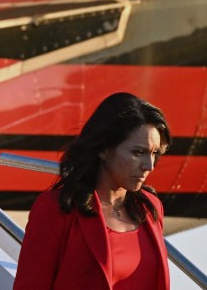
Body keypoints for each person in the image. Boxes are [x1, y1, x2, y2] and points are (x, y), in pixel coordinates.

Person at [14, 92, 172, 289]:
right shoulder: (56, 208)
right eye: (138, 152)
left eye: (155, 153)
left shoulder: (150, 208)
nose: (149, 165)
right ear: (103, 149)